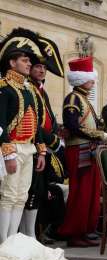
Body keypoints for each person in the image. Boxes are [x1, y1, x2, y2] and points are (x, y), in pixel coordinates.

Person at [59, 56, 107, 247]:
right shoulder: (73, 98)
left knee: (91, 192)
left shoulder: (84, 99)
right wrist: (98, 135)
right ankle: (74, 232)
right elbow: (72, 126)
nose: (94, 81)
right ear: (81, 79)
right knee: (80, 192)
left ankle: (87, 229)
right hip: (78, 149)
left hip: (89, 149)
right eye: (91, 78)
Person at [0, 28, 48, 243]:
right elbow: (0, 124)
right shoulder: (4, 88)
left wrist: (41, 151)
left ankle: (14, 240)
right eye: (25, 60)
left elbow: (36, 123)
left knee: (21, 196)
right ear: (12, 63)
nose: (29, 64)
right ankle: (4, 242)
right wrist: (8, 153)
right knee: (8, 196)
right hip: (11, 149)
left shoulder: (28, 90)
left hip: (28, 149)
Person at [20, 36, 65, 240]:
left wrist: (54, 135)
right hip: (32, 145)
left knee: (40, 191)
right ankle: (26, 235)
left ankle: (34, 234)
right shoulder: (27, 88)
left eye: (43, 68)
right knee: (29, 191)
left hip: (44, 146)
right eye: (36, 66)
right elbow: (33, 121)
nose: (40, 70)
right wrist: (51, 141)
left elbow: (50, 117)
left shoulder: (41, 90)